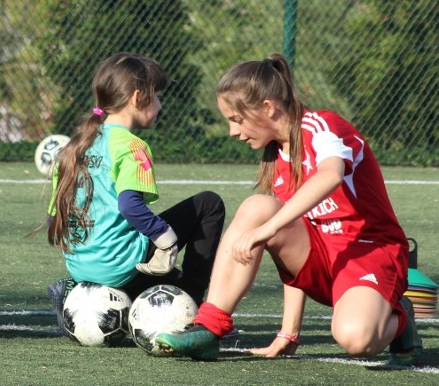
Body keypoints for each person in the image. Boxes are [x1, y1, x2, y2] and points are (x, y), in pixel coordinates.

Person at [155, 54, 422, 367]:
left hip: (368, 252)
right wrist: (288, 332)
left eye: (237, 119)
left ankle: (400, 315)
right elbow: (292, 261)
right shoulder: (277, 159)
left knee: (356, 339)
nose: (232, 131)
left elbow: (331, 174)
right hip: (322, 262)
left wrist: (266, 231)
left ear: (267, 108)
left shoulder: (323, 126)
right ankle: (209, 328)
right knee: (258, 206)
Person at [46, 53, 225, 328]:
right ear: (138, 96)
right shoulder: (131, 146)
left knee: (165, 272)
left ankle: (75, 290)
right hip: (121, 268)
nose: (160, 104)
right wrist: (166, 240)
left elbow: (53, 218)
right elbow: (130, 206)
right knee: (209, 204)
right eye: (156, 96)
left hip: (81, 267)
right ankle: (192, 301)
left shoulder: (74, 146)